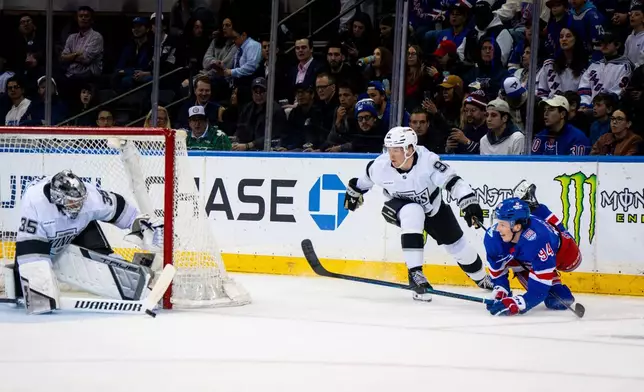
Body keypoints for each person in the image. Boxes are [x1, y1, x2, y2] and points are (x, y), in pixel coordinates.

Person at [343, 126, 493, 302]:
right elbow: (363, 181)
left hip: (434, 209)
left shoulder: (428, 162)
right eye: (390, 149)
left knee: (459, 248)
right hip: (399, 208)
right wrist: (354, 192)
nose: (392, 155)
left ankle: (481, 278)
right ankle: (415, 274)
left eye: (397, 150)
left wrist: (469, 201)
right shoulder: (379, 166)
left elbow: (453, 182)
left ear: (410, 149)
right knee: (413, 211)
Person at [8, 170, 163, 314]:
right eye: (73, 203)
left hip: (79, 230)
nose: (79, 206)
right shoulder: (35, 204)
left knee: (104, 265)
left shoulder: (91, 198)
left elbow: (120, 209)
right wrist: (40, 293)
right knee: (35, 298)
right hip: (45, 242)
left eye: (80, 201)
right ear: (58, 199)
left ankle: (144, 280)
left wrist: (141, 224)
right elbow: (31, 255)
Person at [484, 191, 580, 316]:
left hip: (561, 250)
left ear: (517, 227)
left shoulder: (539, 240)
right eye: (498, 223)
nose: (497, 229)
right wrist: (501, 288)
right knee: (555, 300)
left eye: (502, 224)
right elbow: (496, 264)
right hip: (526, 255)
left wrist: (518, 303)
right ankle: (541, 269)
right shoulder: (493, 237)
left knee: (562, 293)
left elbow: (538, 291)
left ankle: (537, 208)